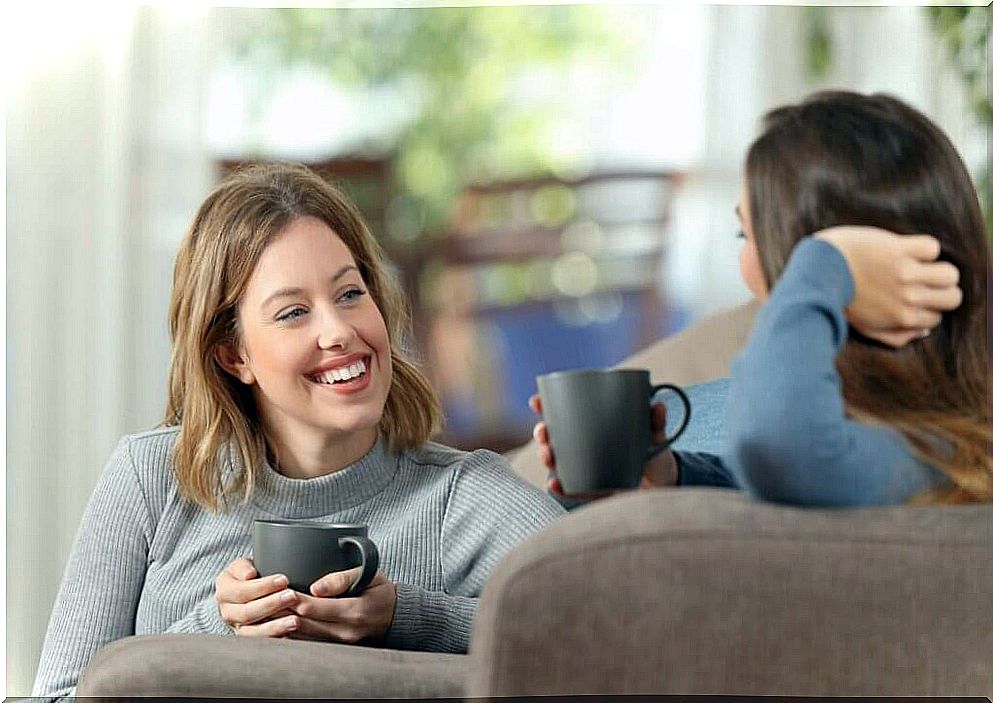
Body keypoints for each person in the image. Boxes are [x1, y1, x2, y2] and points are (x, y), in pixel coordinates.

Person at [33, 163, 566, 700]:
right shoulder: (150, 480)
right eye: (292, 313)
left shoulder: (460, 497)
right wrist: (216, 633)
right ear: (233, 354)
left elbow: (621, 619)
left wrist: (407, 616)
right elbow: (57, 696)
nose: (338, 331)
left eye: (351, 294)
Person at [534, 91, 990, 507]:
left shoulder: (943, 451)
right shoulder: (909, 438)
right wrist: (674, 476)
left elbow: (780, 453)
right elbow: (794, 495)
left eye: (748, 235)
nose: (749, 269)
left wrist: (825, 265)